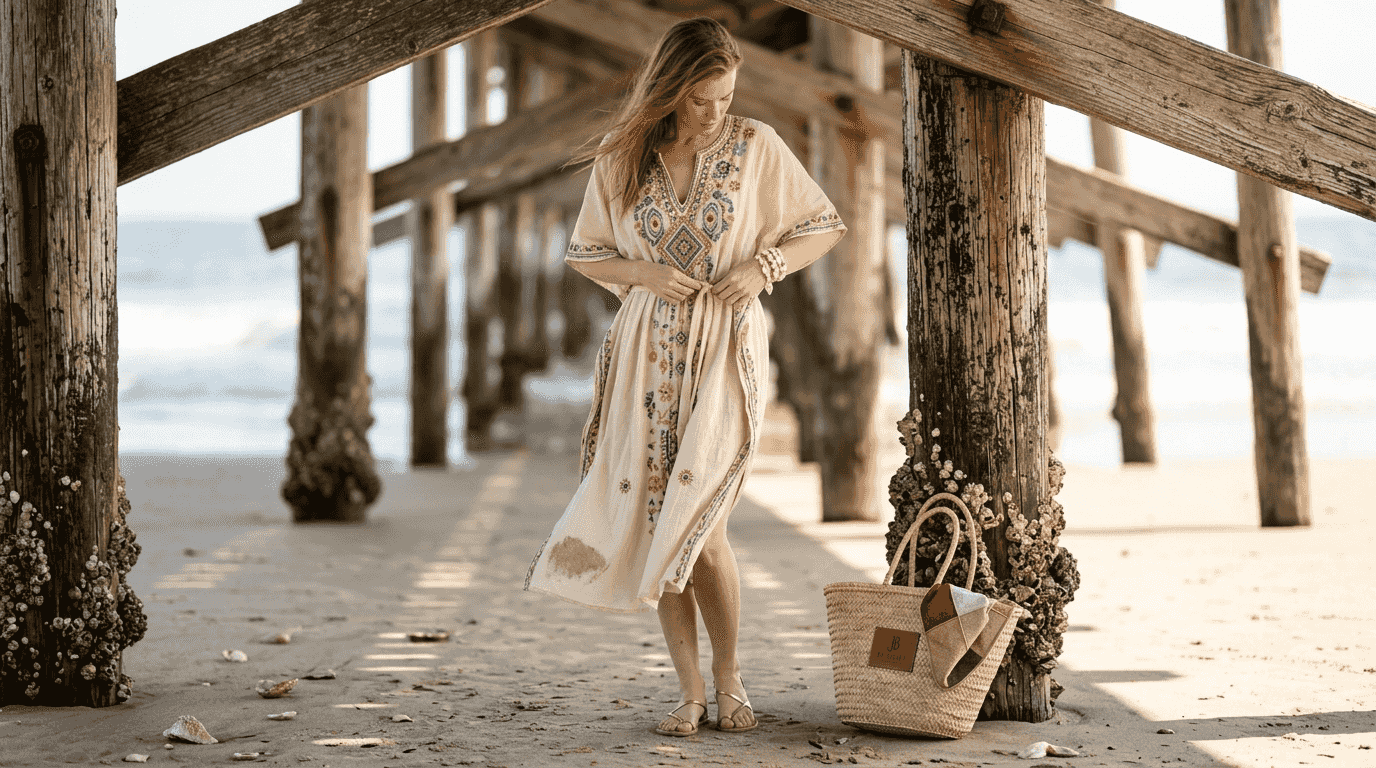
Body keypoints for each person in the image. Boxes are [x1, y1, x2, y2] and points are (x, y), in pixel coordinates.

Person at [524, 17, 846, 737]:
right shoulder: (622, 159)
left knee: (703, 522)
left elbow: (822, 225)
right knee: (660, 522)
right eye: (702, 99)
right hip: (645, 350)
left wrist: (762, 268)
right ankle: (691, 690)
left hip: (724, 346)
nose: (715, 113)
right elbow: (586, 255)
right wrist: (639, 271)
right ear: (670, 89)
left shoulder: (755, 146)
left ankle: (731, 680)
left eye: (725, 98)